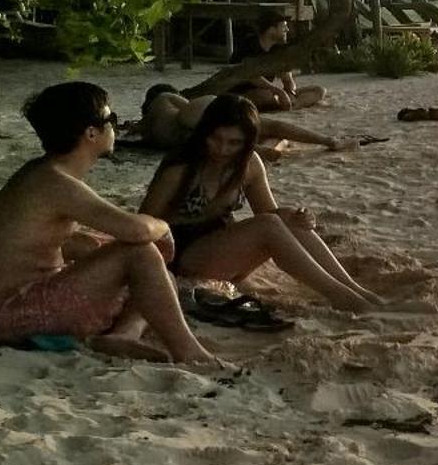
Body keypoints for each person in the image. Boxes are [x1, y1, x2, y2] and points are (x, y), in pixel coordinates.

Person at [0, 82, 226, 369]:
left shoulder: (43, 174)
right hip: (15, 312)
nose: (114, 126)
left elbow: (43, 240)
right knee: (140, 253)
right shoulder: (56, 182)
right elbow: (136, 230)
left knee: (156, 275)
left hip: (12, 303)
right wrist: (162, 225)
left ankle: (123, 334)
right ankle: (188, 351)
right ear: (91, 133)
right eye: (111, 119)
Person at [140, 95, 384, 311]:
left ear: (247, 142)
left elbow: (270, 212)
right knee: (269, 224)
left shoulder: (249, 163)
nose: (222, 149)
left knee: (290, 220)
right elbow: (143, 224)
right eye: (216, 139)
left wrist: (298, 217)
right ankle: (342, 297)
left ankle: (354, 289)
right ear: (204, 133)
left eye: (233, 143)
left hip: (225, 248)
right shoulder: (182, 169)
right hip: (183, 254)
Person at [140, 85, 350, 153]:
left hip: (181, 132)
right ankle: (329, 141)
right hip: (195, 114)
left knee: (220, 137)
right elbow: (185, 105)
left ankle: (260, 149)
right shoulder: (165, 98)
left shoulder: (157, 113)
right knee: (269, 125)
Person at [226, 10, 324, 112]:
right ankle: (284, 103)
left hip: (270, 92)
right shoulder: (250, 45)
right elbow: (252, 76)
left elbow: (287, 78)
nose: (287, 29)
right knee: (265, 95)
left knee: (319, 90)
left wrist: (290, 92)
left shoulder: (277, 49)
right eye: (283, 26)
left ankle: (293, 105)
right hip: (242, 93)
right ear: (272, 30)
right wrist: (279, 92)